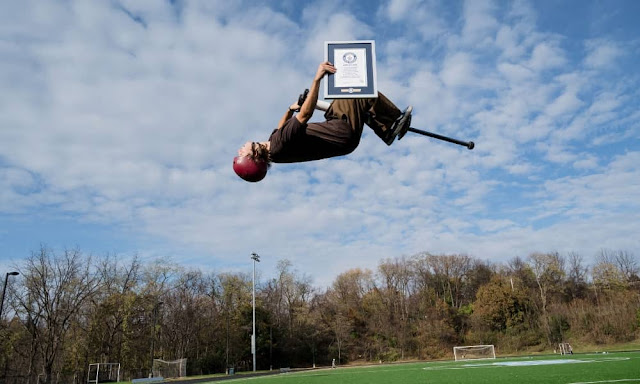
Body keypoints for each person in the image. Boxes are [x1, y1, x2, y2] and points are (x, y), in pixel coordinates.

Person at [233, 61, 412, 182]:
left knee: (346, 99)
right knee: (358, 90)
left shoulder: (273, 148)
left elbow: (280, 127)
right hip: (341, 132)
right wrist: (317, 79)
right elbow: (305, 115)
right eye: (242, 153)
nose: (240, 149)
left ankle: (385, 129)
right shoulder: (280, 144)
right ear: (253, 157)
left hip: (338, 130)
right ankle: (391, 125)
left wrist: (289, 109)